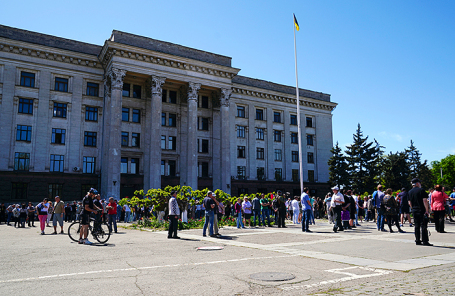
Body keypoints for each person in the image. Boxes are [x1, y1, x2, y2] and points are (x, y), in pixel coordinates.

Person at [408, 178, 432, 246]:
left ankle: (417, 240)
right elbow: (424, 200)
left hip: (414, 210)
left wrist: (413, 209)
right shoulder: (421, 190)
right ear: (417, 183)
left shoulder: (410, 192)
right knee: (423, 225)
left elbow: (409, 202)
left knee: (416, 225)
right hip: (421, 209)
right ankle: (425, 241)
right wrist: (427, 210)